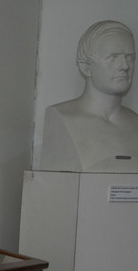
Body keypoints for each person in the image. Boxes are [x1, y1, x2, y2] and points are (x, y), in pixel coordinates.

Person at [41, 20, 138, 172]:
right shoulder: (63, 117)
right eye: (113, 57)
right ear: (85, 66)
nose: (125, 66)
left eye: (130, 57)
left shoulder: (134, 122)